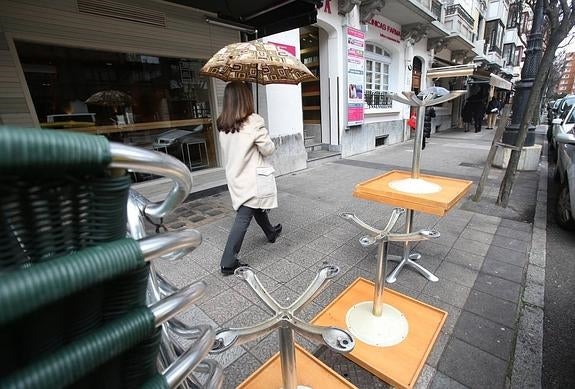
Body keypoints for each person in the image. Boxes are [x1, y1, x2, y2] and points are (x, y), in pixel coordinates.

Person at [217, 81, 282, 275]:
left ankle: (270, 232)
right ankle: (228, 262)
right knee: (244, 216)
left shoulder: (223, 125)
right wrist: (262, 131)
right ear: (246, 98)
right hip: (251, 177)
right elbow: (268, 149)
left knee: (255, 205)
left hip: (235, 176)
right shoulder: (253, 121)